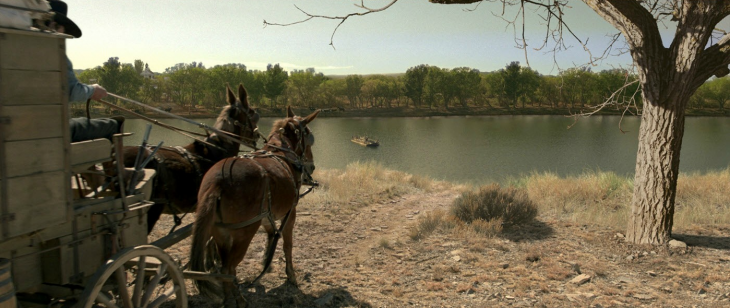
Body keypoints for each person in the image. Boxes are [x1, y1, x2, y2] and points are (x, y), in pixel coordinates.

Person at [47, 0, 123, 142]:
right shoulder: (57, 54)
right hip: (55, 129)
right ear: (57, 26)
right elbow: (73, 91)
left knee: (81, 120)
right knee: (113, 124)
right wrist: (93, 90)